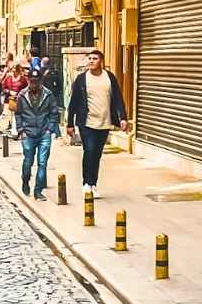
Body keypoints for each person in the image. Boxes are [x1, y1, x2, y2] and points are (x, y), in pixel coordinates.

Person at [67, 49, 129, 198]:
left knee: (97, 154)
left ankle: (93, 184)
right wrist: (70, 124)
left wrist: (123, 118)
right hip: (86, 122)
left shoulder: (109, 78)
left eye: (94, 58)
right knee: (89, 150)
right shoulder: (82, 79)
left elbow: (118, 99)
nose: (91, 61)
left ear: (101, 61)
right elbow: (73, 102)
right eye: (89, 58)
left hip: (104, 122)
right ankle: (86, 183)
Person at [15, 66, 60, 201]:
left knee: (42, 162)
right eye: (31, 81)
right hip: (28, 132)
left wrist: (49, 129)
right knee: (28, 161)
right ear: (28, 80)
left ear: (40, 81)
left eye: (36, 81)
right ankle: (25, 180)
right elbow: (18, 114)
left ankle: (38, 190)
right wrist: (21, 130)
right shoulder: (22, 95)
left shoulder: (48, 94)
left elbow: (54, 113)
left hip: (43, 132)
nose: (34, 83)